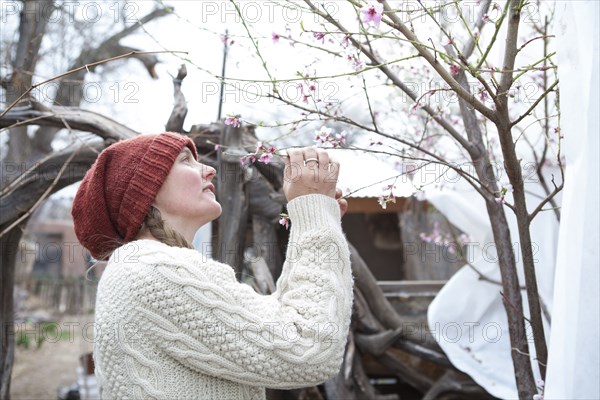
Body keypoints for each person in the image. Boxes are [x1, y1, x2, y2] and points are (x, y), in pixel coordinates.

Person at [71, 132, 354, 399]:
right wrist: (314, 216)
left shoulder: (142, 266)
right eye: (185, 160)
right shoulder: (153, 268)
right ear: (145, 191)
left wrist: (316, 220)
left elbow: (282, 322)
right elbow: (309, 349)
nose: (209, 169)